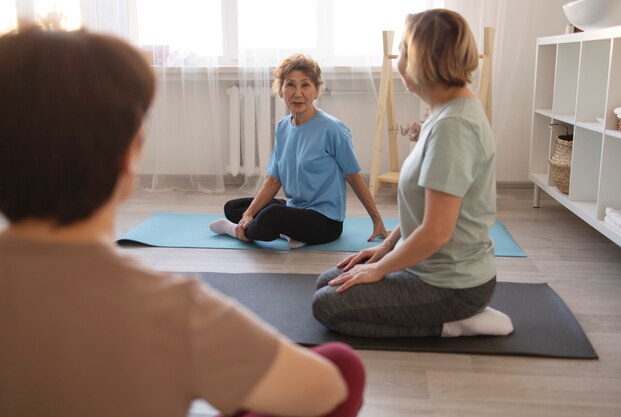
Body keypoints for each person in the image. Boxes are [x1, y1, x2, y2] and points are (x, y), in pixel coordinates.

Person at [0, 27, 365, 417]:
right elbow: (330, 387)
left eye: (304, 85)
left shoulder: (328, 128)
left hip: (317, 218)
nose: (297, 92)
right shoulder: (179, 312)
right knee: (345, 365)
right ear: (131, 156)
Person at [312, 9, 514, 338]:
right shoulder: (443, 112)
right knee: (328, 282)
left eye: (404, 51)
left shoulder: (454, 127)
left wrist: (379, 270)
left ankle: (454, 323)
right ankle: (444, 313)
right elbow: (421, 213)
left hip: (453, 286)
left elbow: (435, 232)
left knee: (327, 306)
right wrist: (384, 250)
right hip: (429, 267)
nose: (398, 59)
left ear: (423, 60)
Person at [210, 53, 388, 248]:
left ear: (317, 90)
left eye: (305, 85)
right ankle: (287, 233)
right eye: (290, 85)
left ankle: (234, 230)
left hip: (325, 221)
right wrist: (249, 214)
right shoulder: (283, 127)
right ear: (280, 90)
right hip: (295, 208)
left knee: (271, 216)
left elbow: (353, 177)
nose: (297, 93)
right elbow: (273, 180)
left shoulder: (333, 129)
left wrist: (377, 220)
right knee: (234, 207)